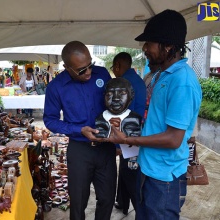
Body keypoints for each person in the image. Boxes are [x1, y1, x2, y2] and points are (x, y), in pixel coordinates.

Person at [102, 9, 202, 219]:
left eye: (149, 43)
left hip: (164, 178)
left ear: (168, 46)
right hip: (149, 169)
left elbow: (174, 139)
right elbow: (154, 122)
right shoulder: (159, 75)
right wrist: (125, 140)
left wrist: (129, 139)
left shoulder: (182, 81)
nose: (145, 49)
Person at [43, 41, 116, 220]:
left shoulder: (103, 74)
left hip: (106, 148)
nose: (89, 72)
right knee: (78, 201)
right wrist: (78, 129)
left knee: (107, 198)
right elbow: (50, 120)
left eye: (90, 65)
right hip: (79, 150)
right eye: (82, 70)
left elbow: (115, 104)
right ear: (67, 67)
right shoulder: (56, 87)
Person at [111, 52, 146, 215]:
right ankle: (123, 203)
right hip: (135, 133)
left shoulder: (123, 83)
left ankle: (140, 212)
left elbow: (121, 114)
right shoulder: (138, 80)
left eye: (113, 68)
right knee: (125, 171)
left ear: (118, 66)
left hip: (128, 137)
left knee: (130, 176)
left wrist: (118, 144)